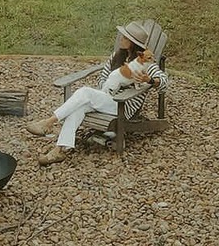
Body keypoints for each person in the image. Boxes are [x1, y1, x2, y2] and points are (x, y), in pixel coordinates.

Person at [25, 20, 168, 165]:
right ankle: (58, 150)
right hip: (107, 98)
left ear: (132, 43)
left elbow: (163, 80)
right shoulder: (117, 56)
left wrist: (150, 80)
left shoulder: (145, 62)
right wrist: (107, 91)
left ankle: (48, 123)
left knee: (85, 93)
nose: (121, 39)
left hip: (123, 106)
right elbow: (103, 78)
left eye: (125, 38)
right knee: (79, 107)